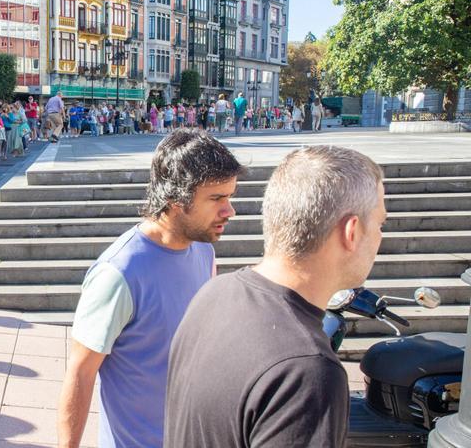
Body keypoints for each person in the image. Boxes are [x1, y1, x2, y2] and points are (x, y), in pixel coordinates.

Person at [164, 146, 386, 448]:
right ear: (351, 231)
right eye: (380, 224)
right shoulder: (307, 372)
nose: (381, 237)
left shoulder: (214, 294)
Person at [57, 129, 244, 447]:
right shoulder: (119, 274)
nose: (230, 211)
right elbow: (80, 373)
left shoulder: (204, 250)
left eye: (230, 197)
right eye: (216, 199)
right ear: (175, 200)